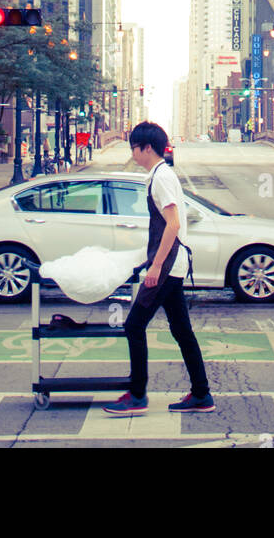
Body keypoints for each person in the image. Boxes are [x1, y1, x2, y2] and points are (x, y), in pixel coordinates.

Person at [103, 122, 214, 416]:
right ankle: (201, 394)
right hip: (173, 265)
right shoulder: (159, 175)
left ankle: (137, 395)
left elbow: (173, 224)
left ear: (147, 148)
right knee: (182, 330)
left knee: (134, 326)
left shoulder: (161, 178)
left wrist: (155, 267)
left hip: (167, 267)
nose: (133, 153)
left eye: (134, 148)